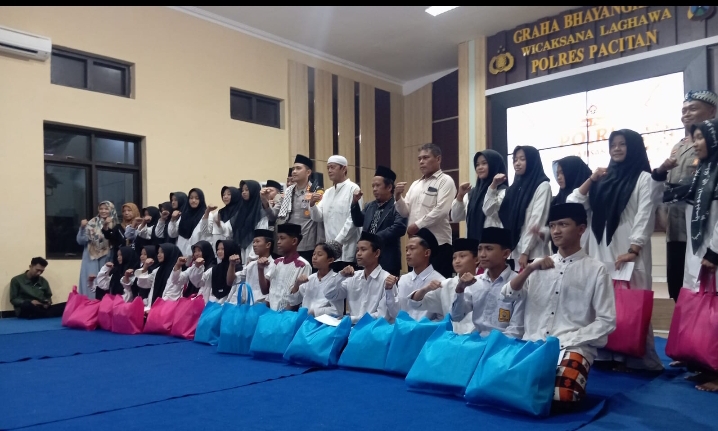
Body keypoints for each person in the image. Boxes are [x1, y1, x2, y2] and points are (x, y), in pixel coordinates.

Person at [500, 203, 616, 410]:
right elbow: (508, 295)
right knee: (500, 387)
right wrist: (529, 269)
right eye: (552, 225)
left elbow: (607, 321)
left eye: (563, 225)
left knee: (562, 396)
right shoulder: (539, 265)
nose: (555, 231)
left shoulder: (596, 270)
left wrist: (569, 340)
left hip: (572, 346)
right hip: (533, 343)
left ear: (581, 229)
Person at [569, 129, 664, 372]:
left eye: (622, 144)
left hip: (628, 248)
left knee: (632, 304)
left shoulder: (644, 178)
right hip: (601, 248)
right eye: (613, 145)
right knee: (603, 302)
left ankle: (637, 359)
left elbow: (645, 214)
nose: (617, 149)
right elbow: (574, 203)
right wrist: (592, 180)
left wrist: (634, 248)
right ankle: (606, 354)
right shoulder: (603, 179)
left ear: (634, 148)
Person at [658, 119, 718, 391]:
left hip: (712, 253)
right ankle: (703, 363)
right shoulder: (702, 172)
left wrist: (714, 252)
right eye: (694, 139)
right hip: (697, 251)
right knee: (701, 310)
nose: (696, 144)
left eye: (700, 138)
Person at [660, 91, 718, 302]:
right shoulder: (679, 146)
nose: (686, 114)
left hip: (704, 229)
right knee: (679, 286)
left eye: (693, 109)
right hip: (677, 227)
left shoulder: (713, 145)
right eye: (683, 110)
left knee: (707, 291)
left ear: (712, 111)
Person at [395, 143, 457, 278]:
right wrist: (398, 197)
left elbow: (442, 210)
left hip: (439, 244)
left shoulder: (445, 181)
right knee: (415, 284)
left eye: (426, 158)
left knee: (438, 285)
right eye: (419, 159)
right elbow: (405, 212)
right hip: (416, 244)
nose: (421, 162)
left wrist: (417, 225)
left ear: (438, 159)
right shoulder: (415, 184)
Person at [490, 146, 551, 270]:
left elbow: (536, 220)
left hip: (533, 253)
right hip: (514, 252)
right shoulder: (515, 188)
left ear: (532, 161)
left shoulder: (542, 186)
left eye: (522, 159)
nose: (517, 163)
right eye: (515, 160)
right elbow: (494, 212)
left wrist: (525, 251)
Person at [325, 231, 395, 324]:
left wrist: (351, 319)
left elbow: (382, 316)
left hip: (375, 328)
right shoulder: (353, 276)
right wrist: (340, 275)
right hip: (353, 327)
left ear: (377, 253)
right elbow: (330, 294)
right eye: (357, 250)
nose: (358, 253)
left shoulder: (386, 279)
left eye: (363, 249)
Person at [263, 154, 321, 264]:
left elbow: (319, 218)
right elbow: (273, 216)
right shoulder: (288, 192)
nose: (294, 171)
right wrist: (265, 202)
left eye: (298, 168)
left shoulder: (316, 192)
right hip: (289, 245)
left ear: (308, 172)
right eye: (293, 168)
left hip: (307, 245)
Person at [350, 165, 407, 276]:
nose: (374, 189)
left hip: (387, 258)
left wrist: (374, 239)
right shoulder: (370, 205)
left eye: (378, 185)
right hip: (368, 258)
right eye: (373, 186)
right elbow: (358, 222)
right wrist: (355, 203)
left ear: (389, 187)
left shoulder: (398, 205)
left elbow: (399, 227)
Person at [310, 155, 362, 267]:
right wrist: (312, 204)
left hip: (347, 247)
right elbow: (318, 217)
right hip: (330, 250)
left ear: (344, 169)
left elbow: (353, 220)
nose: (329, 170)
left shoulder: (353, 189)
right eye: (328, 168)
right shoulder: (328, 192)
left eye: (333, 167)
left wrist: (337, 242)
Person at [384, 228, 444, 321]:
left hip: (426, 329)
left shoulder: (440, 281)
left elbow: (441, 317)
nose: (407, 253)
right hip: (403, 327)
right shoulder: (404, 279)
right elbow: (396, 313)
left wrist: (423, 327)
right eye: (406, 249)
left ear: (427, 253)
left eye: (412, 248)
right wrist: (389, 290)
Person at [452, 150, 508, 241]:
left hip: (493, 243)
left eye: (484, 163)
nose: (480, 167)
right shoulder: (471, 193)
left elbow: (489, 210)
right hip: (472, 245)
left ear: (494, 165)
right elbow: (455, 217)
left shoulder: (503, 191)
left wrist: (493, 187)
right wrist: (460, 196)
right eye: (477, 164)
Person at [258, 223, 312, 311]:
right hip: (271, 313)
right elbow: (265, 291)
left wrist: (282, 316)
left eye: (282, 238)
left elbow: (298, 300)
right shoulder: (277, 262)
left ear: (294, 241)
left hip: (288, 315)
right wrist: (260, 269)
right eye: (278, 238)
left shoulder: (303, 265)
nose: (278, 242)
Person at [544, 156, 593, 253]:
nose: (559, 177)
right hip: (562, 253)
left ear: (573, 172)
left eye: (562, 172)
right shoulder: (557, 199)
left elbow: (573, 203)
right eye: (557, 174)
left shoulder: (587, 195)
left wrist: (591, 179)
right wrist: (543, 232)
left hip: (584, 249)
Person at [289, 241, 345, 317]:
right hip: (305, 320)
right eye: (314, 254)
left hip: (323, 322)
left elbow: (337, 311)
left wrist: (314, 311)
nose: (314, 257)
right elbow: (293, 302)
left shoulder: (336, 280)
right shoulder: (310, 278)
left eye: (319, 254)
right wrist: (297, 285)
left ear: (330, 260)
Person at [123, 243, 183, 311]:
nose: (158, 255)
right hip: (153, 309)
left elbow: (172, 295)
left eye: (162, 252)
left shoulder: (176, 272)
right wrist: (145, 267)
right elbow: (143, 284)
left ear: (169, 253)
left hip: (166, 310)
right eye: (158, 252)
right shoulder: (158, 270)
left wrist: (155, 309)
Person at [77, 201, 118, 298]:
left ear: (111, 210)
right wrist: (82, 228)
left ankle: (103, 305)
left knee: (104, 282)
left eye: (106, 209)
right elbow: (80, 241)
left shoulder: (115, 224)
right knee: (90, 281)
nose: (103, 211)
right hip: (91, 258)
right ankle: (89, 304)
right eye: (101, 209)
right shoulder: (92, 223)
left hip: (107, 256)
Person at [227, 229, 276, 304]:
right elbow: (230, 282)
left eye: (257, 241)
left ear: (268, 245)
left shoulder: (274, 265)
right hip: (248, 306)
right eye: (253, 242)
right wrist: (232, 265)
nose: (254, 245)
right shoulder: (251, 265)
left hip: (263, 307)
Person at [189, 240, 241, 304]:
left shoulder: (239, 269)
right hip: (214, 305)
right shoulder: (215, 269)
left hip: (231, 305)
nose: (219, 251)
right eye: (218, 249)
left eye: (223, 249)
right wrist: (197, 267)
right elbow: (199, 282)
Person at [234, 180, 269, 264]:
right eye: (242, 190)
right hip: (242, 250)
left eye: (247, 190)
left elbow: (261, 233)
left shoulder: (260, 211)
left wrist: (253, 256)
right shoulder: (241, 209)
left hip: (255, 253)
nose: (244, 192)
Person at [167, 189, 208, 256]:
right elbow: (172, 234)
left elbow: (206, 235)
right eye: (191, 198)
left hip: (197, 255)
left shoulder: (206, 216)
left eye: (197, 198)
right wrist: (173, 220)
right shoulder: (184, 214)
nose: (193, 200)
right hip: (181, 253)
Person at [201, 186, 241, 252]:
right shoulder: (219, 213)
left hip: (232, 251)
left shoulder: (239, 213)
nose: (225, 197)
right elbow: (205, 233)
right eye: (223, 194)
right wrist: (207, 212)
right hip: (217, 251)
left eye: (229, 194)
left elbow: (229, 232)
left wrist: (219, 225)